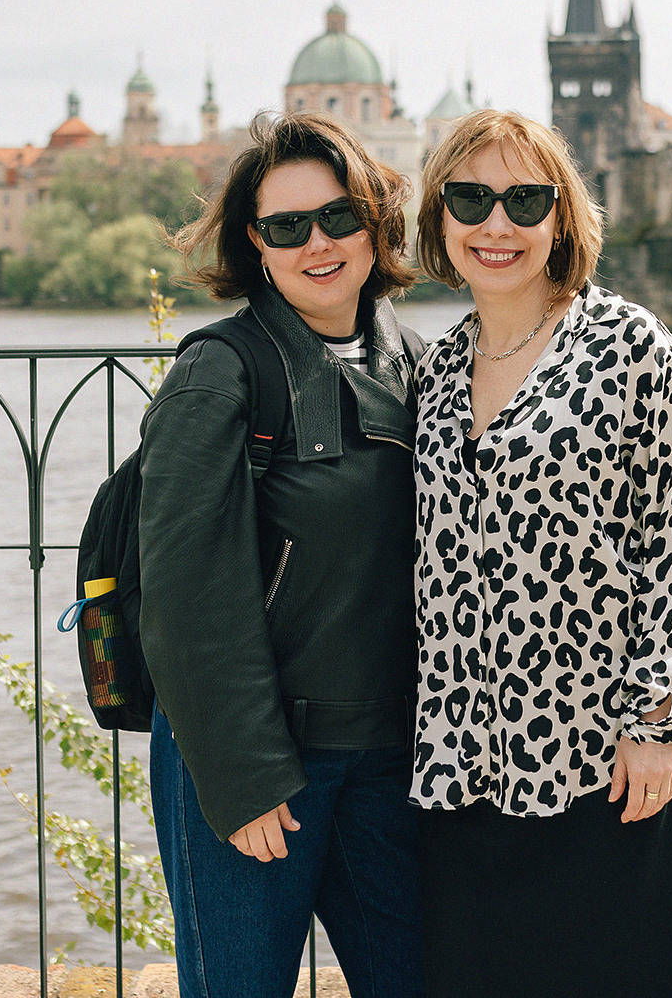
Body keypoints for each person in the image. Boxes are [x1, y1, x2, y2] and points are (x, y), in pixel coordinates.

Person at [407, 109, 672, 997]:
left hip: (603, 766)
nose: (495, 224)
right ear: (441, 220)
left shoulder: (630, 347)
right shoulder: (432, 371)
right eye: (470, 198)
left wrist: (658, 725)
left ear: (560, 218)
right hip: (461, 770)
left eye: (523, 199)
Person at [139, 111, 425, 998]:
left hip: (385, 758)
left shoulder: (411, 361)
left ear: (375, 221)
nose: (318, 242)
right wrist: (245, 772)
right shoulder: (217, 373)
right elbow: (186, 598)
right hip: (259, 764)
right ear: (254, 245)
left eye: (338, 216)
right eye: (286, 226)